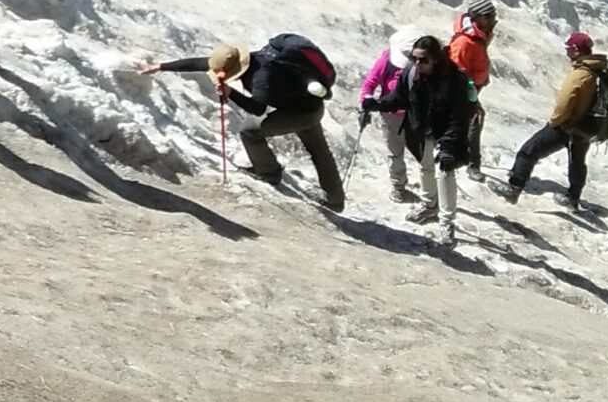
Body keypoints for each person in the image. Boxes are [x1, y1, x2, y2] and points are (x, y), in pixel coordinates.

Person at [138, 36, 345, 210]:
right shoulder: (253, 60)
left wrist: (231, 94)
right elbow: (201, 63)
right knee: (319, 151)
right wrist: (160, 67)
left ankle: (268, 173)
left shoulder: (261, 75)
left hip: (301, 112)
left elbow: (258, 108)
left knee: (250, 131)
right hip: (308, 104)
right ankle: (335, 201)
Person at [501, 32, 608, 211]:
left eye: (569, 49)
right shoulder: (600, 71)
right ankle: (573, 198)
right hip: (587, 126)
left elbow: (565, 102)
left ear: (576, 50)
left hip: (567, 126)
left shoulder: (580, 74)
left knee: (529, 151)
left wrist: (556, 122)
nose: (567, 53)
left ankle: (513, 188)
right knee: (578, 161)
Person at [391, 33, 476, 246]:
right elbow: (399, 97)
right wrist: (375, 103)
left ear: (436, 59)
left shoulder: (454, 80)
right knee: (426, 167)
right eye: (415, 58)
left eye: (423, 60)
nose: (418, 63)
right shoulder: (411, 73)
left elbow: (459, 116)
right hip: (424, 130)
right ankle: (429, 206)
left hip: (447, 132)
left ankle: (447, 222)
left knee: (445, 174)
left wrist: (448, 145)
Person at [355, 28, 417, 202]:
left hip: (417, 114)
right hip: (392, 115)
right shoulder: (387, 59)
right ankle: (399, 186)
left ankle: (430, 192)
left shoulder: (425, 62)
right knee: (395, 152)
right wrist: (364, 104)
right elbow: (370, 83)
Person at [448, 0, 499, 175]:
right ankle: (471, 163)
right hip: (463, 88)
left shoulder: (478, 34)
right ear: (478, 17)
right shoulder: (464, 41)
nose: (493, 19)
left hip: (472, 86)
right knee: (474, 120)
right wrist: (471, 96)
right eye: (489, 16)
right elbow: (457, 72)